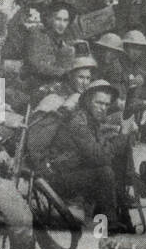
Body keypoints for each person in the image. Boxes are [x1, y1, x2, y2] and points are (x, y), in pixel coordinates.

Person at [44, 79, 138, 230]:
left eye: (106, 105)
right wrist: (123, 133)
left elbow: (101, 149)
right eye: (99, 103)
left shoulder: (91, 120)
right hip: (59, 180)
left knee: (115, 157)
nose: (103, 108)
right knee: (105, 171)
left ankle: (117, 211)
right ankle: (110, 224)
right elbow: (100, 157)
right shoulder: (78, 122)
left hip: (75, 170)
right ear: (87, 101)